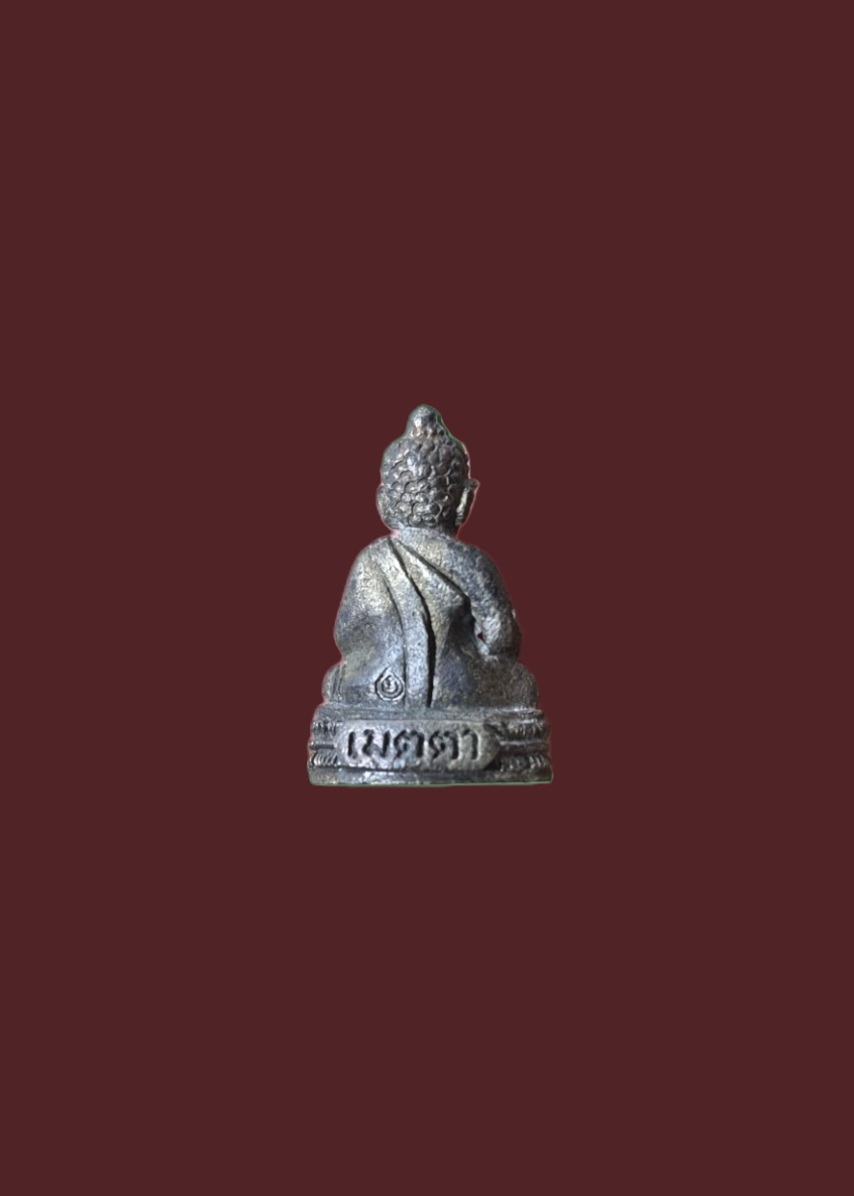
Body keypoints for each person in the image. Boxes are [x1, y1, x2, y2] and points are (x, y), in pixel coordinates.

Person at [322, 406, 538, 711]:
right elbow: (501, 638)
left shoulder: (369, 561)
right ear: (464, 500)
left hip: (382, 687)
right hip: (456, 685)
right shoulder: (471, 561)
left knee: (335, 680)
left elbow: (346, 635)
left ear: (384, 504)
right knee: (521, 683)